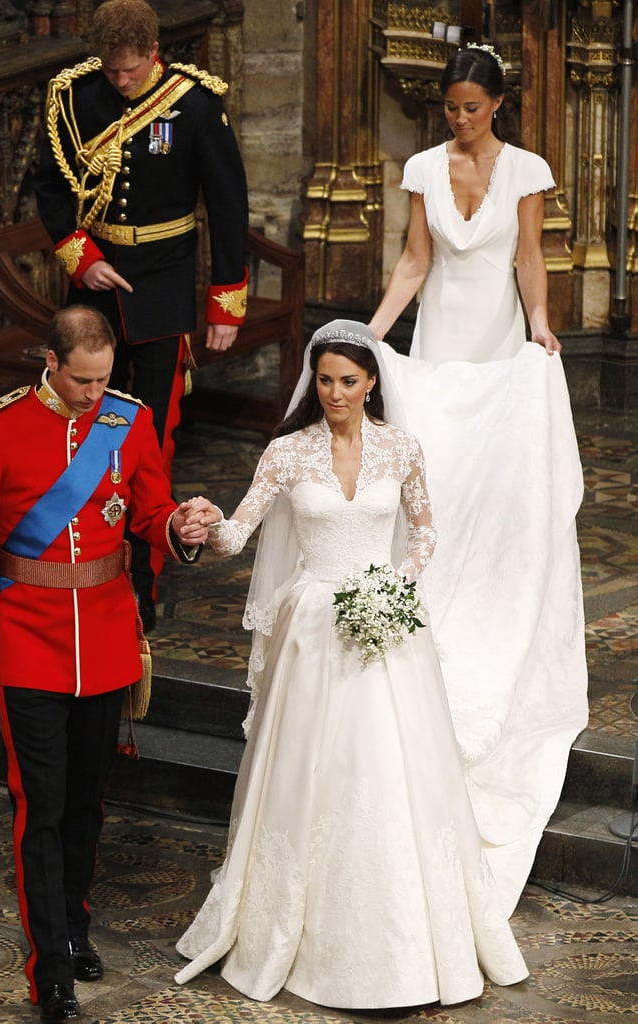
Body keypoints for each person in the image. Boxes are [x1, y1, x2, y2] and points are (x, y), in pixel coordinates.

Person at [174, 320, 529, 1009]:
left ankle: (401, 936)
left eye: (348, 380)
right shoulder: (284, 453)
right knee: (311, 769)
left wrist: (397, 581)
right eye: (325, 380)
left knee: (386, 766)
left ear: (371, 382)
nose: (335, 392)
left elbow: (424, 527)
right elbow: (237, 535)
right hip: (311, 630)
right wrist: (206, 524)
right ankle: (293, 925)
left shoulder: (400, 448)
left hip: (384, 624)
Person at [367, 44, 588, 913]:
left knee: (491, 480)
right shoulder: (423, 165)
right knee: (434, 475)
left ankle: (492, 583)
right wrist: (371, 331)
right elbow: (416, 261)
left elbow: (527, 258)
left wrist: (539, 326)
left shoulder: (526, 169)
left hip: (497, 344)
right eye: (448, 107)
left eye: (468, 107)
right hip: (437, 345)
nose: (456, 119)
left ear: (494, 103)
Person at [0, 306, 208, 1023]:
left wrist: (179, 524)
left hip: (108, 637)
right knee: (42, 810)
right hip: (27, 641)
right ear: (51, 363)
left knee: (88, 804)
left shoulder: (129, 420)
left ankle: (76, 924)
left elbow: (150, 513)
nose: (94, 395)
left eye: (103, 379)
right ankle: (49, 968)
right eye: (81, 380)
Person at [33, 0, 249, 631]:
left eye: (130, 71)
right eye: (112, 71)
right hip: (96, 292)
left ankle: (139, 588)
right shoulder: (75, 97)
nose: (120, 82)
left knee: (145, 443)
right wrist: (82, 258)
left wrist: (225, 303)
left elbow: (229, 206)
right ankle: (82, 568)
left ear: (153, 52)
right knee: (80, 431)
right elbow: (50, 185)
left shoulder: (196, 105)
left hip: (162, 291)